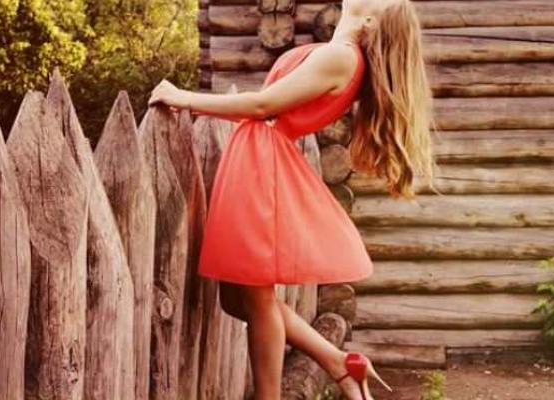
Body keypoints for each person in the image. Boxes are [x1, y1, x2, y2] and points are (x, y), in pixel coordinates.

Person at [148, 0, 437, 398]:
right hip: (257, 156)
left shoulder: (341, 58)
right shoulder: (339, 54)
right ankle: (338, 362)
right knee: (236, 300)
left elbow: (262, 105)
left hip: (261, 166)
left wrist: (185, 97)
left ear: (371, 20)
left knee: (258, 298)